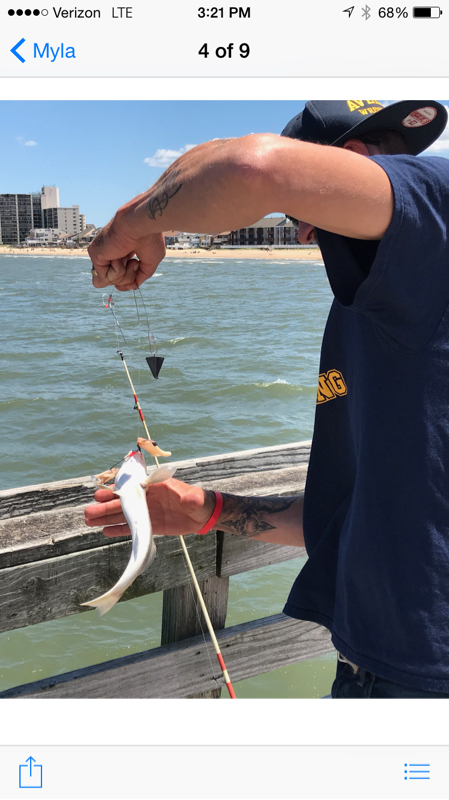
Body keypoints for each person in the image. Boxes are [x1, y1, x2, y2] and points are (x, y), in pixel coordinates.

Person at [85, 100, 449, 698]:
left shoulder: (437, 203)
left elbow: (250, 168)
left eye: (300, 213)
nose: (302, 233)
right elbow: (353, 515)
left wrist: (129, 227)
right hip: (369, 667)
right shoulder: (371, 308)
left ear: (350, 163)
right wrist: (209, 510)